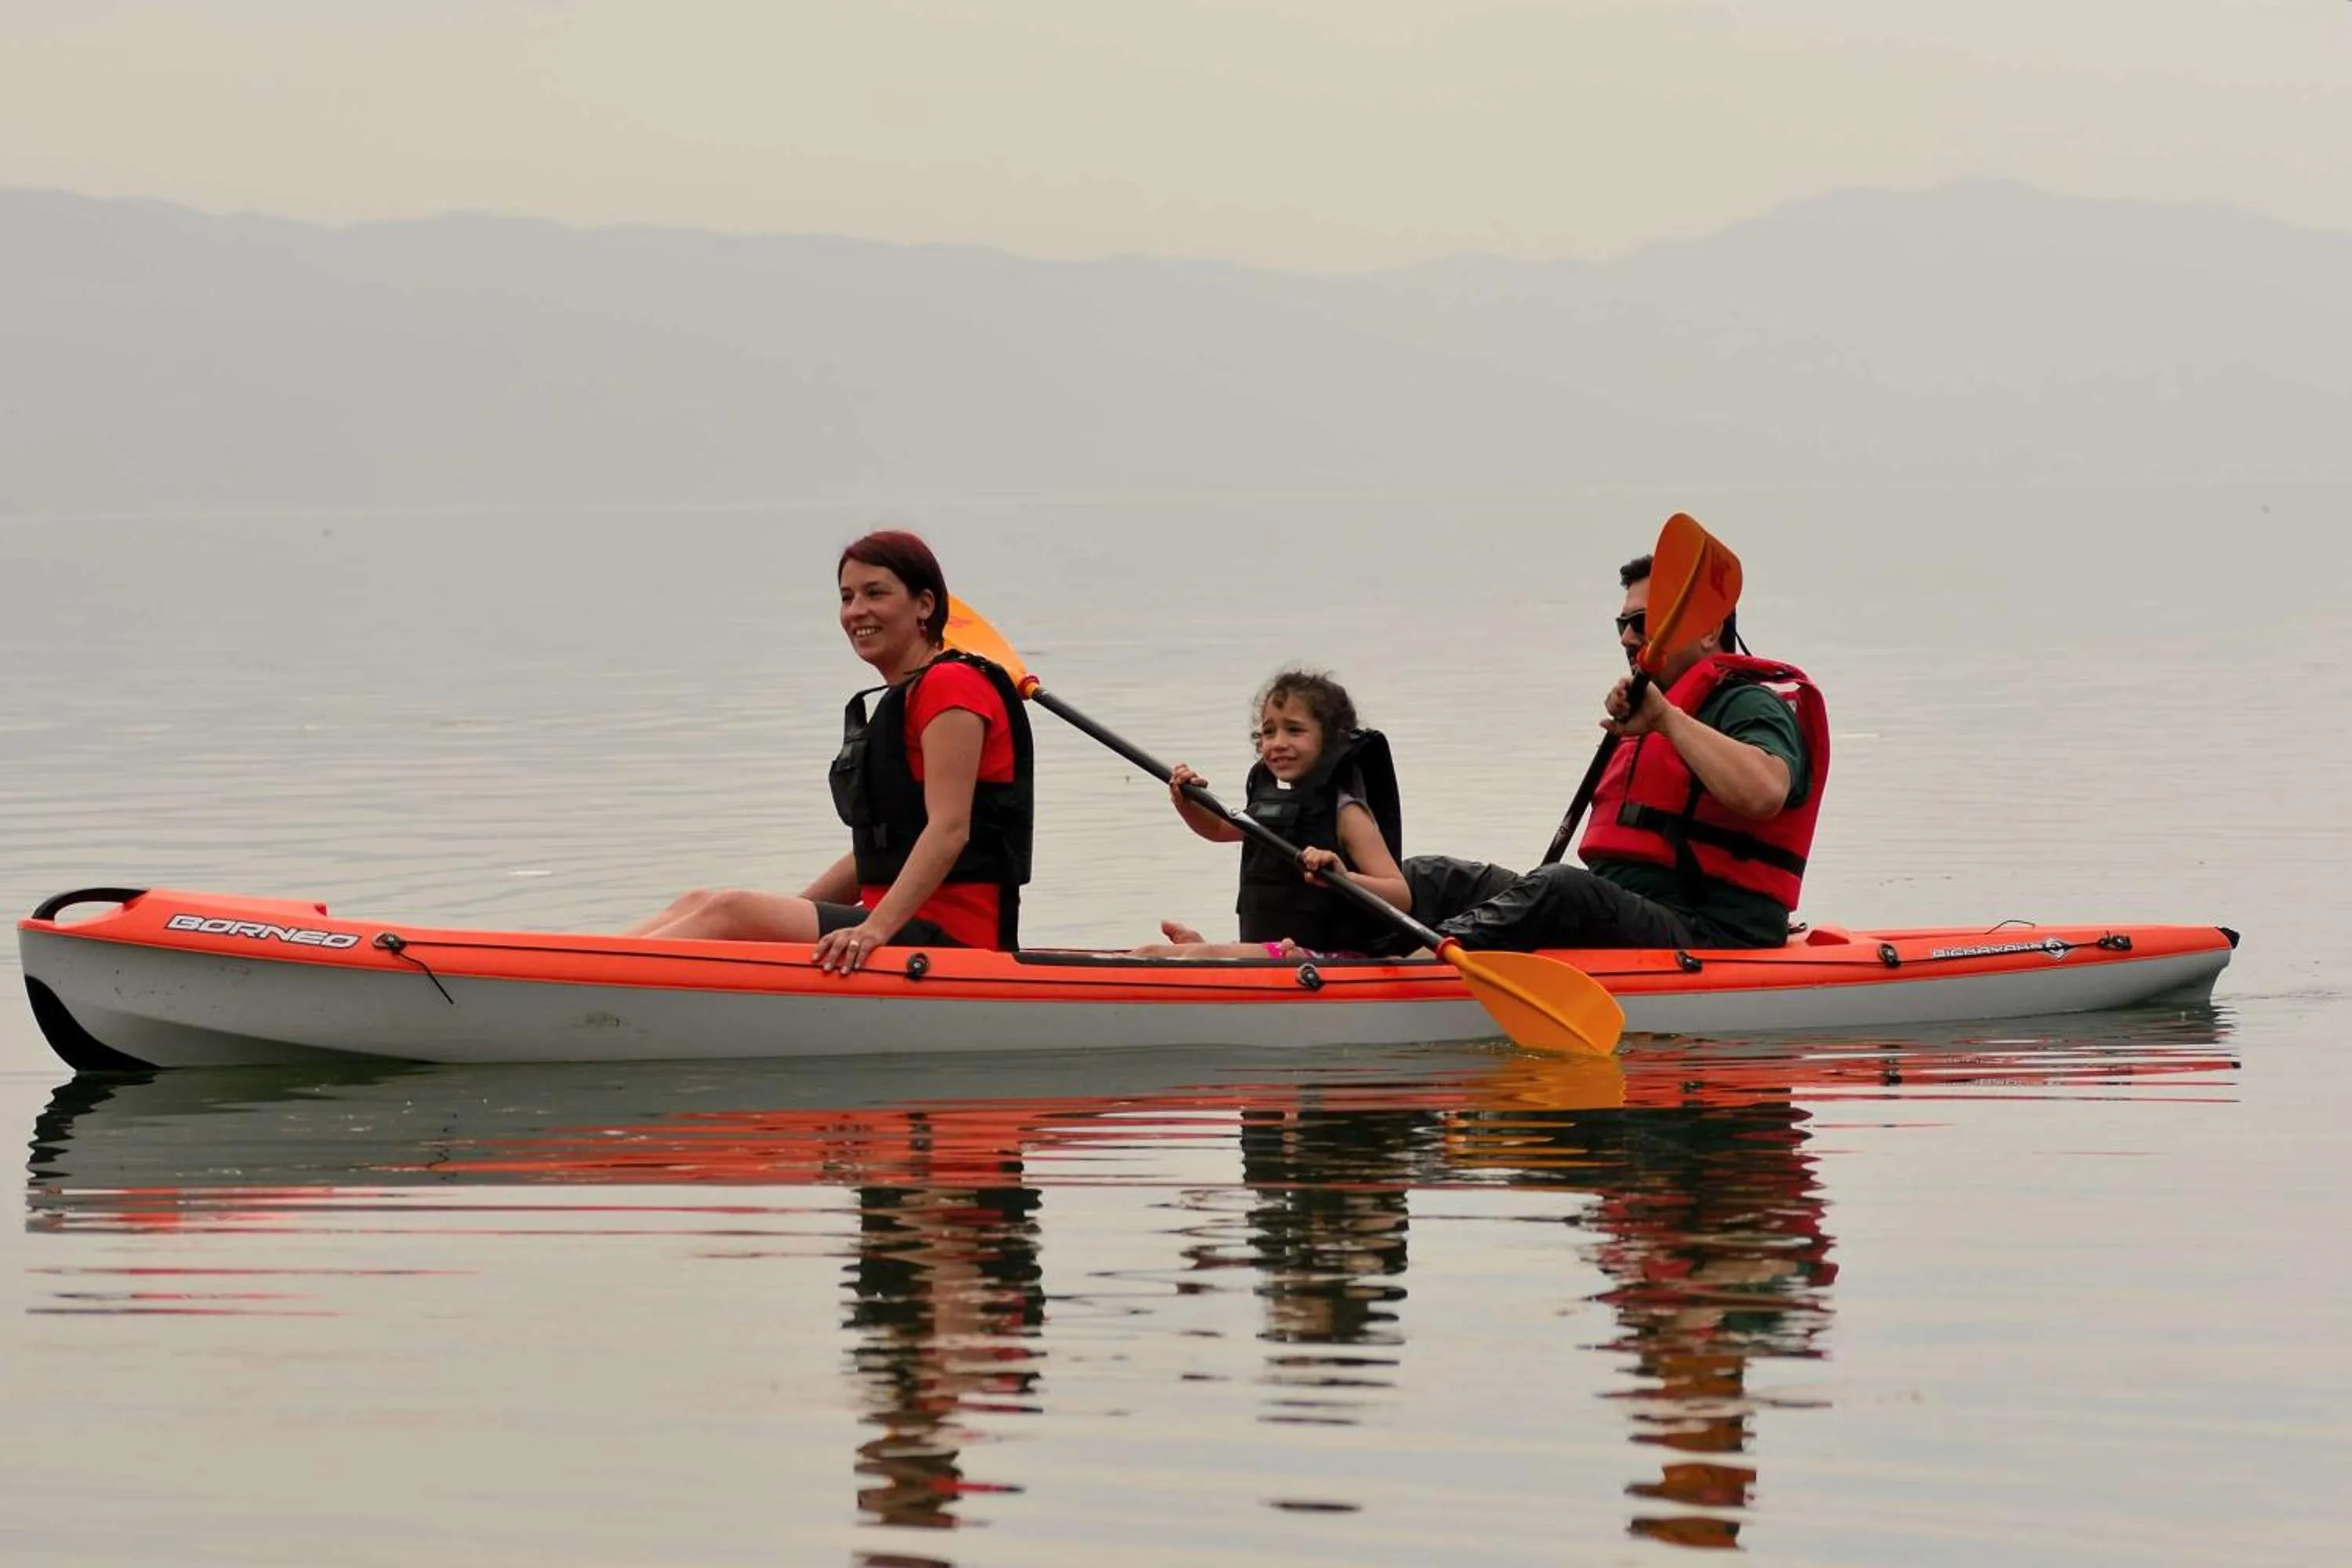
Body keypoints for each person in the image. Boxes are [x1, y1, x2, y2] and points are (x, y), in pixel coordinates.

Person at [626, 530, 1033, 973]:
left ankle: (597, 980)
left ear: (925, 605)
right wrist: (784, 916)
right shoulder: (908, 695)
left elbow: (950, 830)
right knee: (701, 902)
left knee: (728, 909)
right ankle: (564, 963)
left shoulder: (952, 686)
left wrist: (873, 930)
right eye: (847, 597)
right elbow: (883, 852)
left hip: (952, 941)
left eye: (875, 593)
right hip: (895, 925)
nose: (857, 611)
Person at [1415, 550, 1828, 952]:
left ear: (1708, 632)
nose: (1629, 638)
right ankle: (1365, 956)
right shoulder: (1657, 707)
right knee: (1431, 877)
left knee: (1561, 887)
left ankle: (1421, 963)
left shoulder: (1749, 705)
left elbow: (1765, 792)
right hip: (1626, 909)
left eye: (1643, 622)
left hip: (1712, 932)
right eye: (1622, 625)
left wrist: (1667, 719)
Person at [1136, 670, 1415, 960]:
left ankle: (1207, 955)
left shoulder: (1346, 812)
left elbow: (1400, 896)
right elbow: (1218, 829)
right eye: (1269, 732)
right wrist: (1186, 803)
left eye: (1294, 730)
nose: (1278, 743)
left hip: (1331, 959)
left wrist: (1344, 876)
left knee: (1194, 956)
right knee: (1147, 952)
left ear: (1331, 740)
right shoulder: (1268, 806)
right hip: (1274, 951)